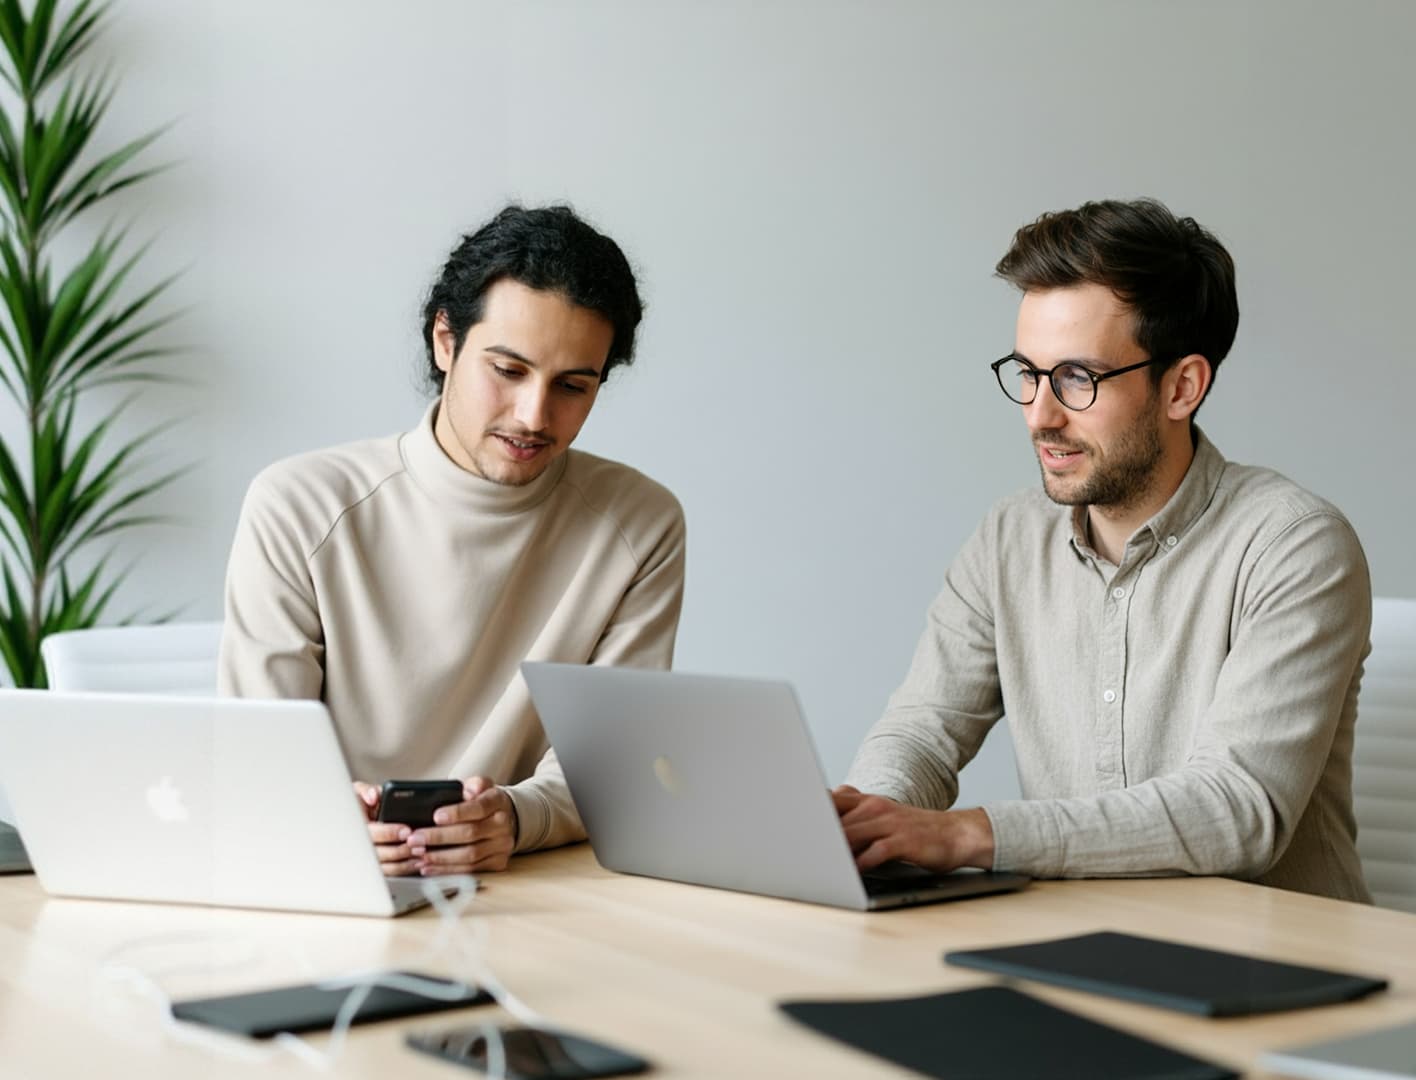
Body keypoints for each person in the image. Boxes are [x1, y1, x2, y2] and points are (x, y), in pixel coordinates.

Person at [836, 197, 1371, 902]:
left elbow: (1239, 809)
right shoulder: (1009, 538)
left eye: (1077, 379)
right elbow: (922, 732)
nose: (1039, 414)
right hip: (1083, 946)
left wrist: (970, 834)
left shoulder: (1294, 545)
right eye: (1027, 372)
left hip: (1285, 970)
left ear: (1182, 386)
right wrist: (865, 826)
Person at [219, 204, 686, 876]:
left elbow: (614, 772)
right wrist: (324, 814)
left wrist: (513, 819)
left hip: (530, 889)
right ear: (446, 340)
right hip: (326, 880)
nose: (534, 416)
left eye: (574, 386)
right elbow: (258, 762)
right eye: (508, 370)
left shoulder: (640, 523)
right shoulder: (299, 506)